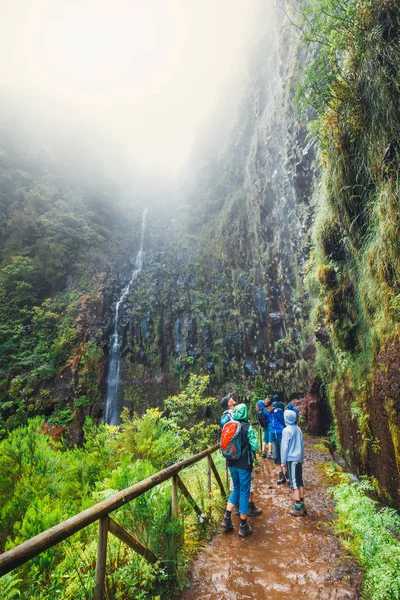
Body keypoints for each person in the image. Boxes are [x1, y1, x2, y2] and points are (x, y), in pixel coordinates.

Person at [220, 403, 259, 537]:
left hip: (231, 463)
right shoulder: (248, 428)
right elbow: (255, 446)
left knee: (236, 489)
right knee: (244, 492)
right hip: (244, 465)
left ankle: (226, 518)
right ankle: (243, 526)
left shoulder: (231, 426)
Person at [280, 409, 306, 516]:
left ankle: (298, 507)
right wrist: (302, 458)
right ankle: (302, 503)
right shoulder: (298, 429)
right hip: (298, 459)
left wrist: (283, 461)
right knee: (300, 481)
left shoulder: (286, 431)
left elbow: (284, 448)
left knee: (294, 483)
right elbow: (302, 444)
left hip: (292, 460)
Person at [264, 397, 286, 484]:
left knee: (284, 453)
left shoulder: (279, 411)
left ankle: (287, 474)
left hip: (281, 434)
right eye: (266, 408)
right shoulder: (266, 412)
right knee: (276, 455)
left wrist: (277, 413)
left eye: (268, 408)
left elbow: (283, 420)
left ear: (271, 406)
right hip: (273, 435)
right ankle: (281, 475)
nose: (267, 410)